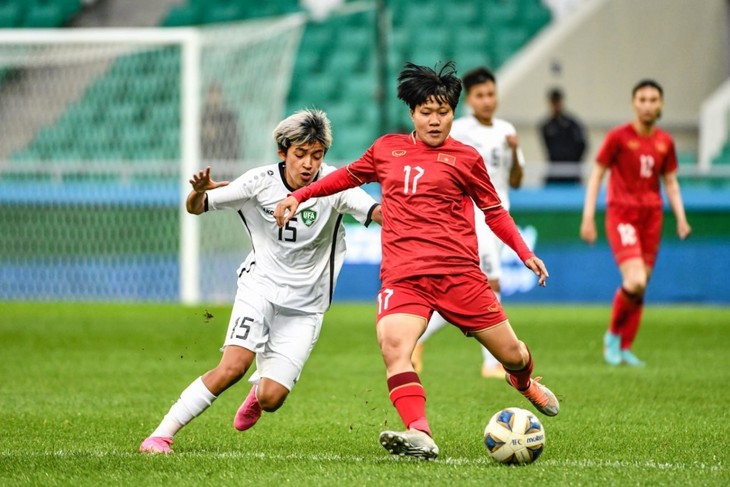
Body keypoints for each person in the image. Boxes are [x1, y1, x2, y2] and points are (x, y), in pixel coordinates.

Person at [274, 62, 559, 461]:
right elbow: (344, 178)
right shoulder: (386, 149)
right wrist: (298, 196)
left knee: (513, 355)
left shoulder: (466, 158)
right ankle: (419, 433)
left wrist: (524, 253)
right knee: (394, 347)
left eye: (443, 112)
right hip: (404, 277)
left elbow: (494, 211)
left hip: (460, 276)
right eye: (426, 112)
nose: (435, 120)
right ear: (412, 113)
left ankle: (524, 382)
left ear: (452, 114)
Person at [139, 109, 382, 454]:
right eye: (300, 154)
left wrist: (413, 207)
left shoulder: (336, 184)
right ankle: (160, 435)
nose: (309, 164)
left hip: (306, 307)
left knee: (272, 398)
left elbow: (375, 212)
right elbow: (197, 207)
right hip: (260, 289)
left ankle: (258, 394)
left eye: (317, 155)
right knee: (233, 367)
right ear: (283, 153)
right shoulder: (259, 182)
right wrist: (197, 193)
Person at [410, 66, 525, 379]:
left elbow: (516, 181)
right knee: (491, 283)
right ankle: (493, 363)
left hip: (498, 213)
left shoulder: (506, 130)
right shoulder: (456, 128)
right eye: (480, 95)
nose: (487, 100)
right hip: (472, 215)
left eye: (491, 94)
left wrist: (514, 152)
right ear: (470, 100)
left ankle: (416, 340)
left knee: (468, 289)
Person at [580, 79, 691, 367]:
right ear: (633, 104)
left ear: (661, 105)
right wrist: (588, 216)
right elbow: (596, 175)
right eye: (642, 99)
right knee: (635, 279)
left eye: (653, 100)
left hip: (652, 216)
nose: (648, 105)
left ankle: (625, 346)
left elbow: (670, 182)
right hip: (622, 214)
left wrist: (681, 217)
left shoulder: (665, 142)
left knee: (642, 286)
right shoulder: (618, 137)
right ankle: (612, 337)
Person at [539, 88, 586, 184]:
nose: (555, 105)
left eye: (557, 102)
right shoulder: (546, 126)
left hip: (572, 172)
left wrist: (573, 163)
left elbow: (582, 144)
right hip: (554, 172)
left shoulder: (572, 124)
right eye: (553, 102)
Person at [201, 83, 241, 161]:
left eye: (217, 94)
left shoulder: (228, 115)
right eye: (212, 94)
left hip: (225, 155)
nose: (215, 97)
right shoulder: (203, 115)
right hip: (207, 156)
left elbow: (234, 135)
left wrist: (217, 132)